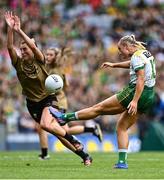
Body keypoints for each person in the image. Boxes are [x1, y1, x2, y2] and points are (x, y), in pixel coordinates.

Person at [50, 34, 156, 169]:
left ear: (127, 46)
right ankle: (122, 163)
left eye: (120, 49)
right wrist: (114, 65)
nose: (119, 52)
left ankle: (64, 117)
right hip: (148, 96)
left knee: (98, 108)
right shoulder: (144, 53)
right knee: (121, 127)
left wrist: (134, 101)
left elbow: (140, 79)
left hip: (135, 92)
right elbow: (133, 65)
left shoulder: (136, 56)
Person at [4, 11, 92, 166]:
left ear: (33, 49)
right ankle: (84, 156)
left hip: (48, 99)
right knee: (56, 132)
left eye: (26, 49)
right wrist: (10, 29)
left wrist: (19, 30)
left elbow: (31, 44)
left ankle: (73, 139)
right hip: (32, 104)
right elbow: (10, 46)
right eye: (22, 49)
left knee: (45, 125)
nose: (23, 51)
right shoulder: (17, 64)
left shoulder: (40, 60)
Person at [37, 47, 103, 159]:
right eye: (46, 54)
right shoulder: (52, 68)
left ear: (55, 57)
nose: (47, 57)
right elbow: (66, 85)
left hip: (58, 103)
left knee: (55, 130)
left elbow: (58, 87)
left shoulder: (55, 70)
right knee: (63, 130)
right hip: (58, 101)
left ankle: (47, 153)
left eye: (50, 55)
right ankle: (92, 129)